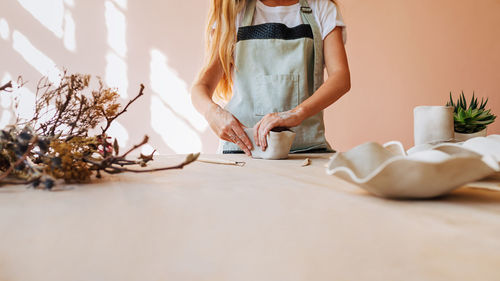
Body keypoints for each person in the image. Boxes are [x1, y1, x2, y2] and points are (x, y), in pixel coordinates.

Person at [191, 0, 350, 156]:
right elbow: (201, 87)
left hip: (306, 152)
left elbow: (340, 78)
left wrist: (297, 113)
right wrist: (212, 113)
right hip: (243, 153)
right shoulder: (235, 12)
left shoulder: (321, 8)